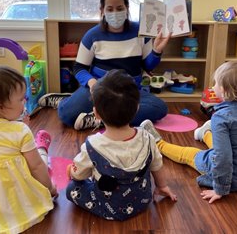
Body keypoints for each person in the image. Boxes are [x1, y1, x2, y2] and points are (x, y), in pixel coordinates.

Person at [38, 0, 171, 130]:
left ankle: (100, 120)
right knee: (67, 114)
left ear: (127, 8)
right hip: (100, 90)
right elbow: (78, 68)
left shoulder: (140, 32)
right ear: (102, 11)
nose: (115, 13)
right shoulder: (92, 36)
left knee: (159, 108)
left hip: (129, 91)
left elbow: (148, 66)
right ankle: (65, 100)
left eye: (120, 8)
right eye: (110, 9)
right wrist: (91, 82)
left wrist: (156, 51)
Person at [141, 61, 237, 204]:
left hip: (235, 179)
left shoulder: (221, 117)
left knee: (190, 154)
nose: (212, 86)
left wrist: (220, 188)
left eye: (215, 83)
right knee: (224, 144)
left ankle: (158, 143)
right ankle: (206, 133)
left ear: (224, 90)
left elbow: (223, 157)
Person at [66, 69, 177, 220]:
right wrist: (162, 186)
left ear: (96, 114)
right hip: (142, 202)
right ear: (138, 108)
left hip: (107, 207)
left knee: (72, 188)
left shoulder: (92, 145)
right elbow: (157, 165)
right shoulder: (148, 137)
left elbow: (79, 174)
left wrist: (70, 171)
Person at [0, 66, 57, 234]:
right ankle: (42, 147)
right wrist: (49, 188)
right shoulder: (19, 131)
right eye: (21, 100)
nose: (25, 103)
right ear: (0, 107)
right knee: (41, 160)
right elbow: (36, 167)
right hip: (15, 200)